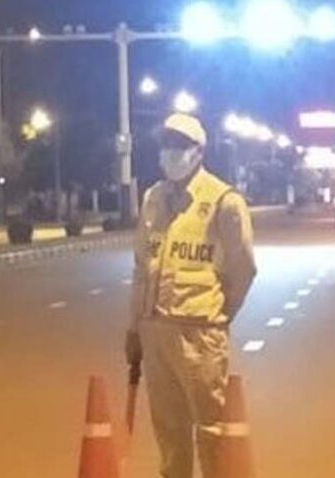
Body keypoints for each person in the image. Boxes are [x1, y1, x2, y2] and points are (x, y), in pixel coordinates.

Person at [125, 113, 257, 478]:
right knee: (169, 434)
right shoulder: (152, 198)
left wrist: (218, 313)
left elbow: (243, 269)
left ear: (199, 152)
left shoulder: (223, 202)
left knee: (211, 431)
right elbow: (141, 267)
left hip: (199, 333)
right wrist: (133, 327)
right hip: (154, 331)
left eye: (180, 146)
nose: (171, 153)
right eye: (166, 144)